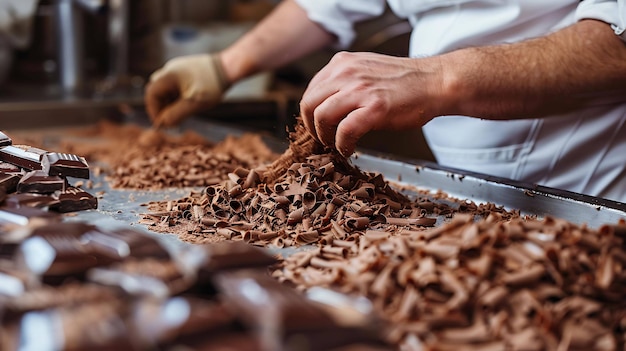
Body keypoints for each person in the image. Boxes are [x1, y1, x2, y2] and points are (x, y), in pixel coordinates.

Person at [145, 0, 626, 202]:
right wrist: (225, 66)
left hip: (591, 178)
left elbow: (616, 42)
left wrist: (436, 77)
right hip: (461, 187)